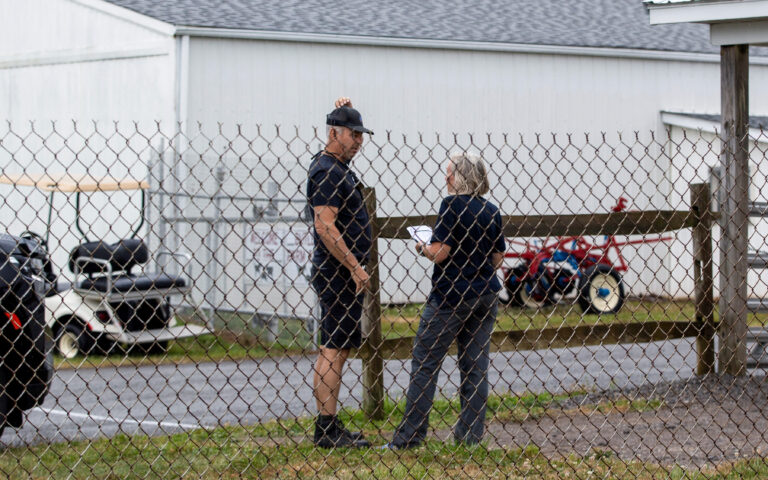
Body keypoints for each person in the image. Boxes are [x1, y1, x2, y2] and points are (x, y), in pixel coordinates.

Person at [384, 152, 506, 449]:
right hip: (486, 294)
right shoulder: (491, 210)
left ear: (460, 177)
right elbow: (498, 258)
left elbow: (440, 253)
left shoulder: (451, 205)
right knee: (475, 366)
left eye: (449, 174)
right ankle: (470, 438)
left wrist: (423, 246)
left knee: (426, 361)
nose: (446, 178)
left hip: (451, 296)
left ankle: (409, 438)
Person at [307, 97, 374, 448]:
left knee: (339, 347)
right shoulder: (327, 171)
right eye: (353, 134)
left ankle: (329, 424)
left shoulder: (337, 169)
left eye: (362, 135)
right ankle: (326, 429)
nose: (359, 141)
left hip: (342, 274)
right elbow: (325, 226)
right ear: (334, 132)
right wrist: (354, 266)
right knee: (332, 349)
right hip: (337, 274)